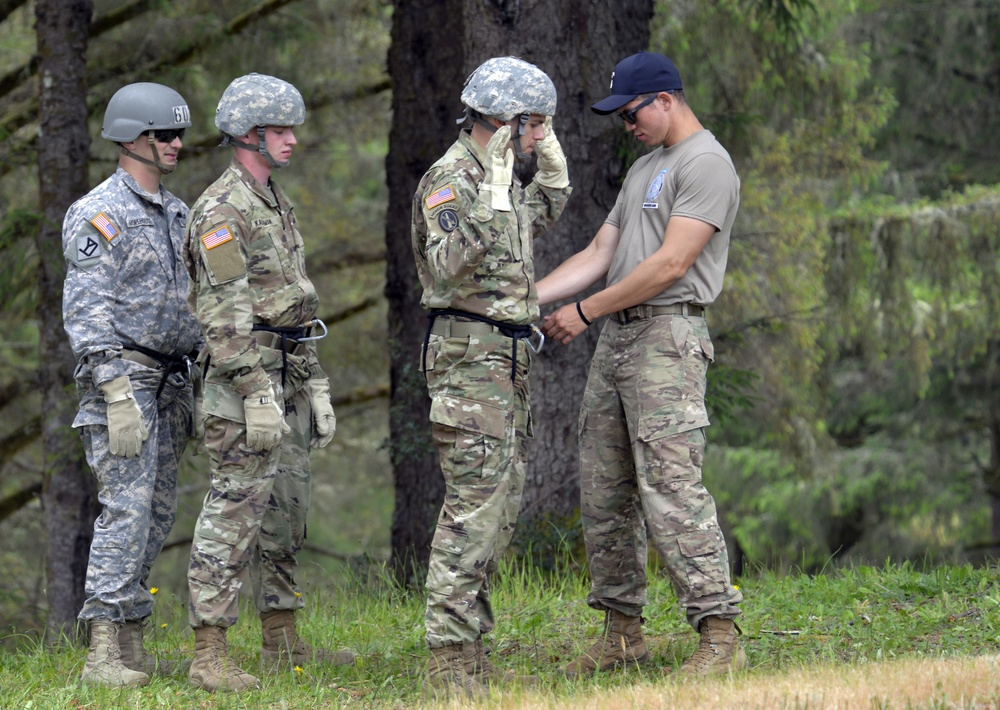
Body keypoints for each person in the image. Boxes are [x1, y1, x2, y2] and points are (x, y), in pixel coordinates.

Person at [536, 51, 747, 677]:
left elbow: (672, 264)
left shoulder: (706, 163)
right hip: (619, 343)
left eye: (631, 114)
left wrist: (585, 311)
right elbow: (603, 249)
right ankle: (622, 633)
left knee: (672, 487)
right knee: (604, 487)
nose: (627, 126)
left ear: (665, 99)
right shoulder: (646, 168)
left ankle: (718, 634)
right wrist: (527, 294)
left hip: (666, 340)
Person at [183, 73, 353, 693]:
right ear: (249, 134)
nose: (293, 140)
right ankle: (209, 652)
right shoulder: (223, 210)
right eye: (280, 130)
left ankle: (281, 637)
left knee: (285, 508)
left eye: (292, 129)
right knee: (235, 507)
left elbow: (290, 305)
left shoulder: (271, 200)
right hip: (242, 381)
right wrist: (255, 390)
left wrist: (314, 385)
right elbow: (222, 318)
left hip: (285, 368)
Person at [411, 56, 572, 698]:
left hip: (506, 359)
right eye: (537, 127)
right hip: (468, 358)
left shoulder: (499, 176)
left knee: (499, 510)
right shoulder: (451, 180)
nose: (540, 139)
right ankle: (450, 662)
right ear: (507, 123)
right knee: (471, 510)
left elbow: (545, 211)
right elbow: (447, 264)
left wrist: (544, 168)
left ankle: (472, 648)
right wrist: (492, 193)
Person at [62, 82, 201, 687]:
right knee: (125, 511)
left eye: (178, 135)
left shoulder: (177, 212)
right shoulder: (100, 212)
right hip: (124, 385)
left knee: (157, 515)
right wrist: (115, 393)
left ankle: (133, 642)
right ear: (133, 140)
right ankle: (100, 652)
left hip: (171, 384)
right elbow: (87, 309)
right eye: (164, 135)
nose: (175, 145)